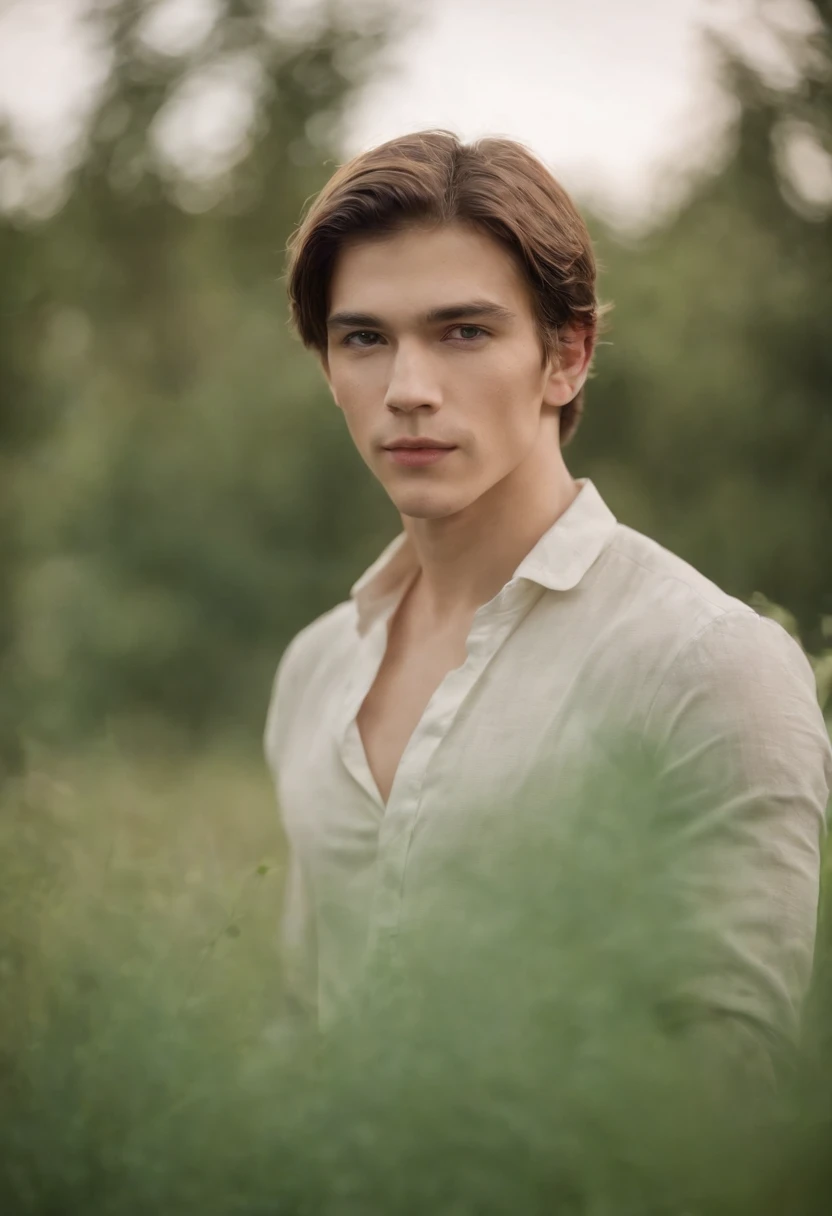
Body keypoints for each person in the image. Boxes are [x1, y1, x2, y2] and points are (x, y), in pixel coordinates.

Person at [263, 130, 831, 1085]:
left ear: (566, 357)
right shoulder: (315, 668)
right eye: (365, 338)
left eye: (465, 332)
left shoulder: (706, 662)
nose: (407, 390)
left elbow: (731, 1097)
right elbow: (301, 1023)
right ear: (329, 368)